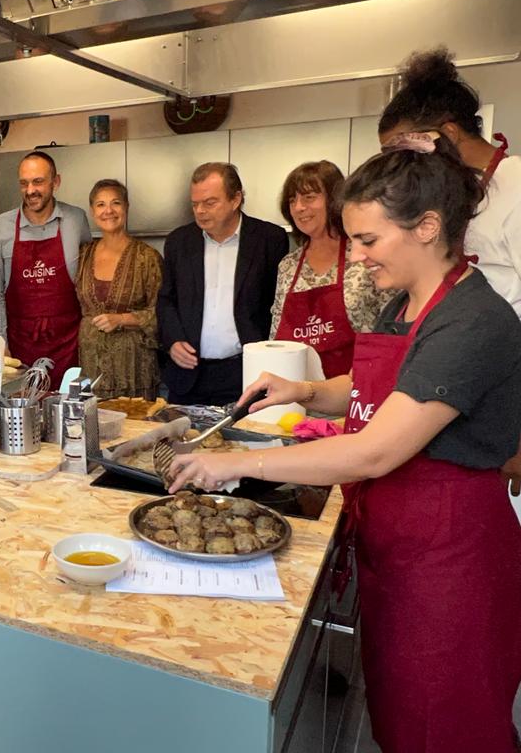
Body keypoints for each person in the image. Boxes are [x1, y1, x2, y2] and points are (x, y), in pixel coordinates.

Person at [168, 133, 521, 753]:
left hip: (450, 561)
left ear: (428, 227)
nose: (355, 257)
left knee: (448, 725)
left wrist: (234, 462)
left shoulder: (473, 320)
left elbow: (375, 449)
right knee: (399, 715)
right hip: (398, 546)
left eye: (367, 239)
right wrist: (303, 393)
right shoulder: (405, 304)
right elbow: (370, 385)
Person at [379, 46, 521, 495]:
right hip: (460, 395)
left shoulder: (517, 188)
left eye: (403, 147)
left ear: (447, 133)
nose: (397, 165)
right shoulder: (451, 197)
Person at [156, 162, 288, 405]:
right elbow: (166, 300)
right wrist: (173, 340)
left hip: (244, 372)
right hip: (189, 373)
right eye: (195, 204)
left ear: (235, 199)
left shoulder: (269, 240)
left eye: (210, 202)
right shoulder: (179, 242)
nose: (200, 211)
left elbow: (276, 305)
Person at [271, 161, 390, 377]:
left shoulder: (365, 255)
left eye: (309, 197)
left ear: (335, 200)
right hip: (298, 395)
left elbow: (392, 325)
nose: (298, 207)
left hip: (359, 388)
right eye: (292, 200)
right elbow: (276, 341)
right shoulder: (288, 265)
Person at [0, 151, 92, 388]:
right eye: (24, 183)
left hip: (69, 343)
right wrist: (1, 342)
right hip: (19, 345)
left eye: (38, 181)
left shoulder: (76, 219)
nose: (30, 191)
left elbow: (88, 281)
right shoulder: (0, 226)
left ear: (55, 182)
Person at [76, 179, 163, 399]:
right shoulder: (82, 255)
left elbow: (163, 312)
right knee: (95, 427)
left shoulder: (147, 257)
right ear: (92, 211)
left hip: (134, 367)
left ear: (126, 207)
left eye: (115, 203)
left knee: (136, 428)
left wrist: (122, 319)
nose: (108, 211)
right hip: (91, 365)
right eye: (100, 204)